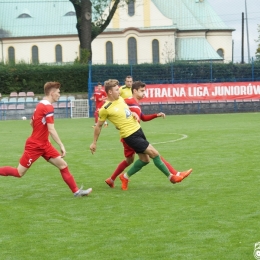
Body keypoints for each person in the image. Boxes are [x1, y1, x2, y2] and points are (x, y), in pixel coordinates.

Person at [90, 79, 192, 190]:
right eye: (116, 90)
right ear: (110, 92)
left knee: (145, 160)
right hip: (130, 136)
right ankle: (171, 177)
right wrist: (94, 143)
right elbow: (98, 126)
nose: (119, 91)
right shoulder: (105, 108)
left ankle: (124, 177)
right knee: (154, 153)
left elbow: (125, 110)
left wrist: (132, 113)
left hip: (138, 130)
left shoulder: (119, 99)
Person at [0, 81, 92, 197]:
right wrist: (61, 145)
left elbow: (31, 122)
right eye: (58, 92)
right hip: (35, 146)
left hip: (44, 144)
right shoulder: (47, 107)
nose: (59, 94)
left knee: (63, 165)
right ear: (52, 93)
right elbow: (51, 129)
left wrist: (41, 135)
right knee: (19, 172)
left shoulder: (40, 104)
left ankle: (76, 192)